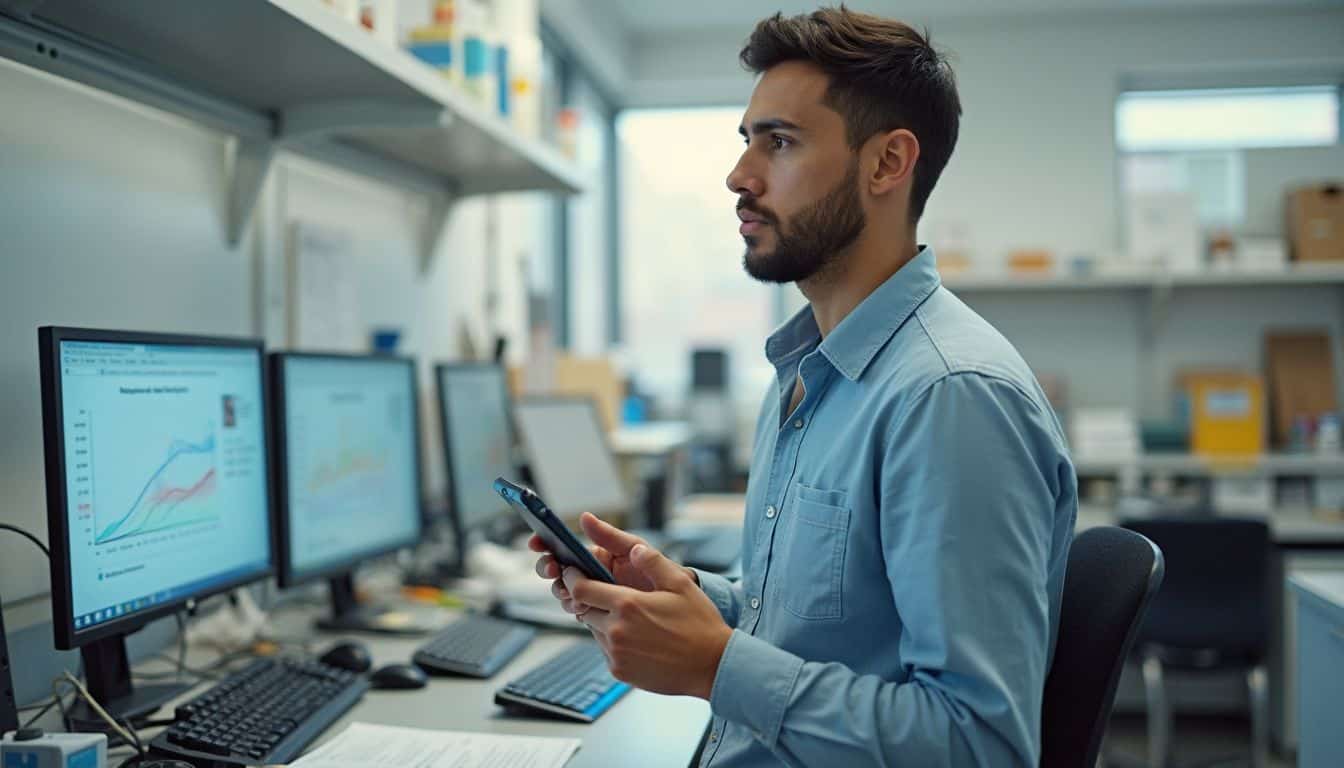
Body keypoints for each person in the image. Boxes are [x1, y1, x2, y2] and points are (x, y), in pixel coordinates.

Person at [530, 7, 1077, 766]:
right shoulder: (807, 372)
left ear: (887, 164)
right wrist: (678, 597)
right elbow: (822, 630)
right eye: (746, 140)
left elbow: (978, 744)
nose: (739, 176)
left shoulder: (949, 398)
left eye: (779, 142)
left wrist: (715, 665)